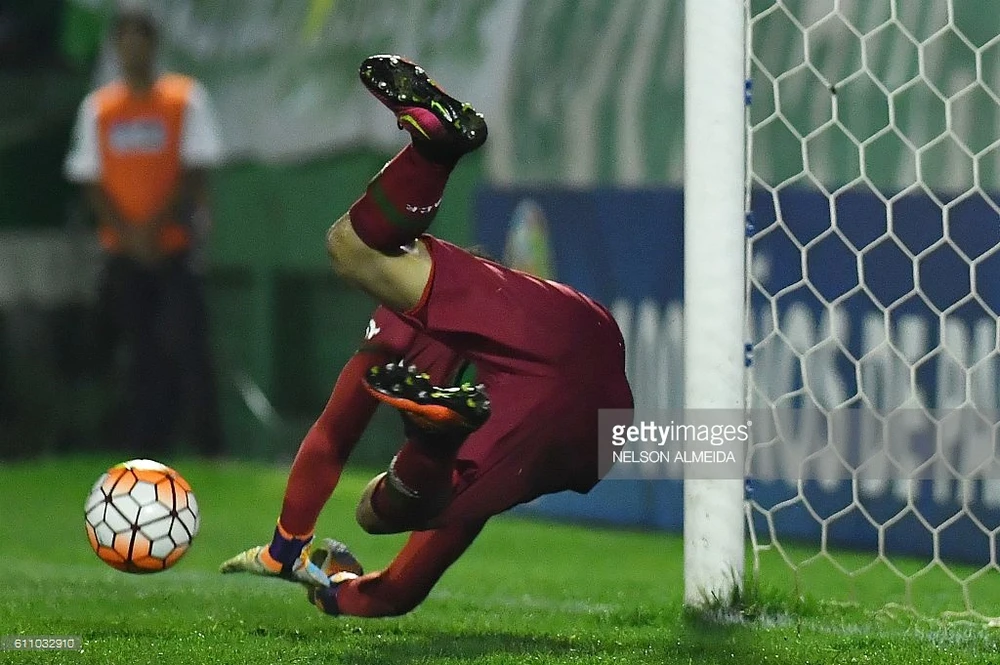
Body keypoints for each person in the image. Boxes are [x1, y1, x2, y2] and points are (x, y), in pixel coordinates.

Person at [220, 55, 634, 617]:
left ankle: (429, 445)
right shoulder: (468, 287)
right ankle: (432, 151)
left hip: (536, 425)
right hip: (584, 337)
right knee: (356, 246)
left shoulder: (395, 333)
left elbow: (338, 446)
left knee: (377, 511)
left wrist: (304, 564)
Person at [64, 6, 224, 458]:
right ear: (116, 47)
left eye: (142, 37)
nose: (133, 47)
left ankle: (208, 446)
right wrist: (127, 232)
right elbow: (89, 178)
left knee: (187, 346)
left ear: (154, 44)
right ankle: (143, 444)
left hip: (175, 247)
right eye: (125, 38)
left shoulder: (183, 99)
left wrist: (157, 226)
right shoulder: (99, 108)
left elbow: (195, 168)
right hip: (123, 252)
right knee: (137, 353)